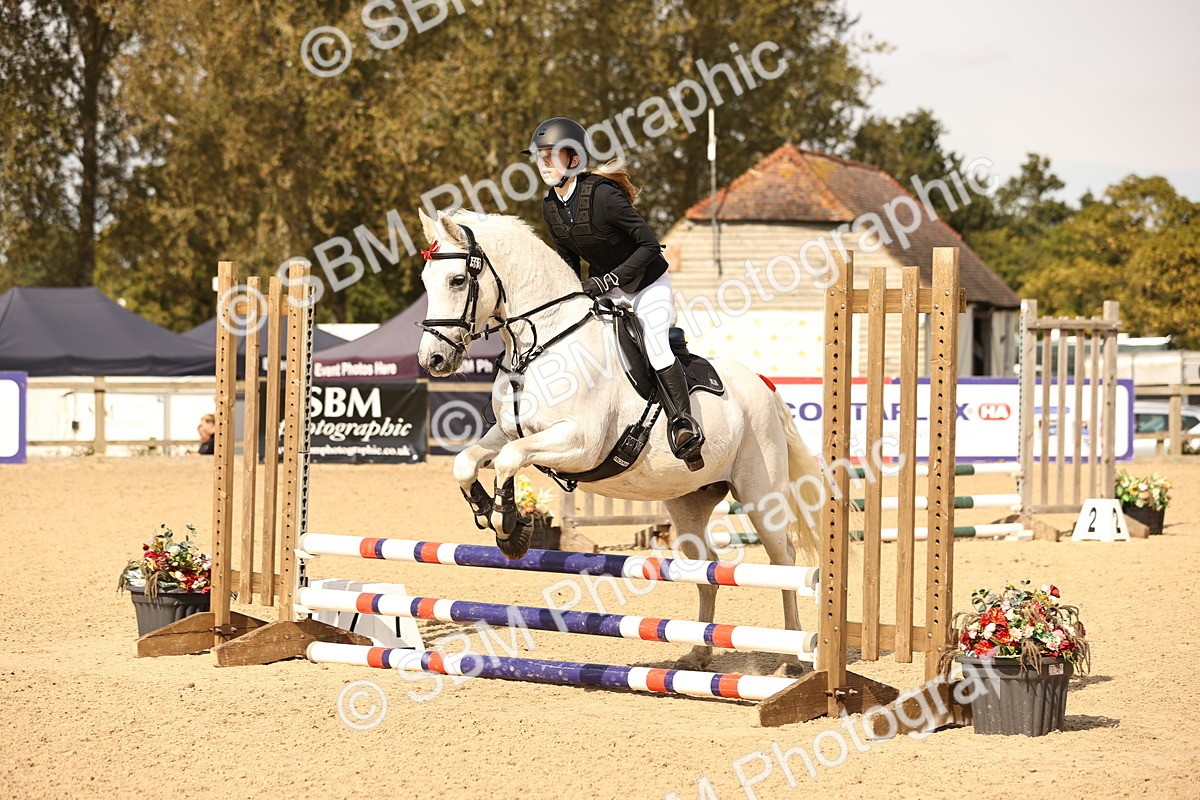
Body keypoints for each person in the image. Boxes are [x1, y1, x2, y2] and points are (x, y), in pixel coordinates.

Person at [522, 117, 703, 467]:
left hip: (647, 285)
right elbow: (568, 260)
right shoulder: (550, 206)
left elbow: (650, 246)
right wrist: (568, 298)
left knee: (655, 343)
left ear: (573, 159)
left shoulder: (602, 196)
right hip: (606, 291)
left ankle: (684, 424)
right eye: (539, 156)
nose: (543, 162)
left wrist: (607, 281)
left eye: (551, 155)